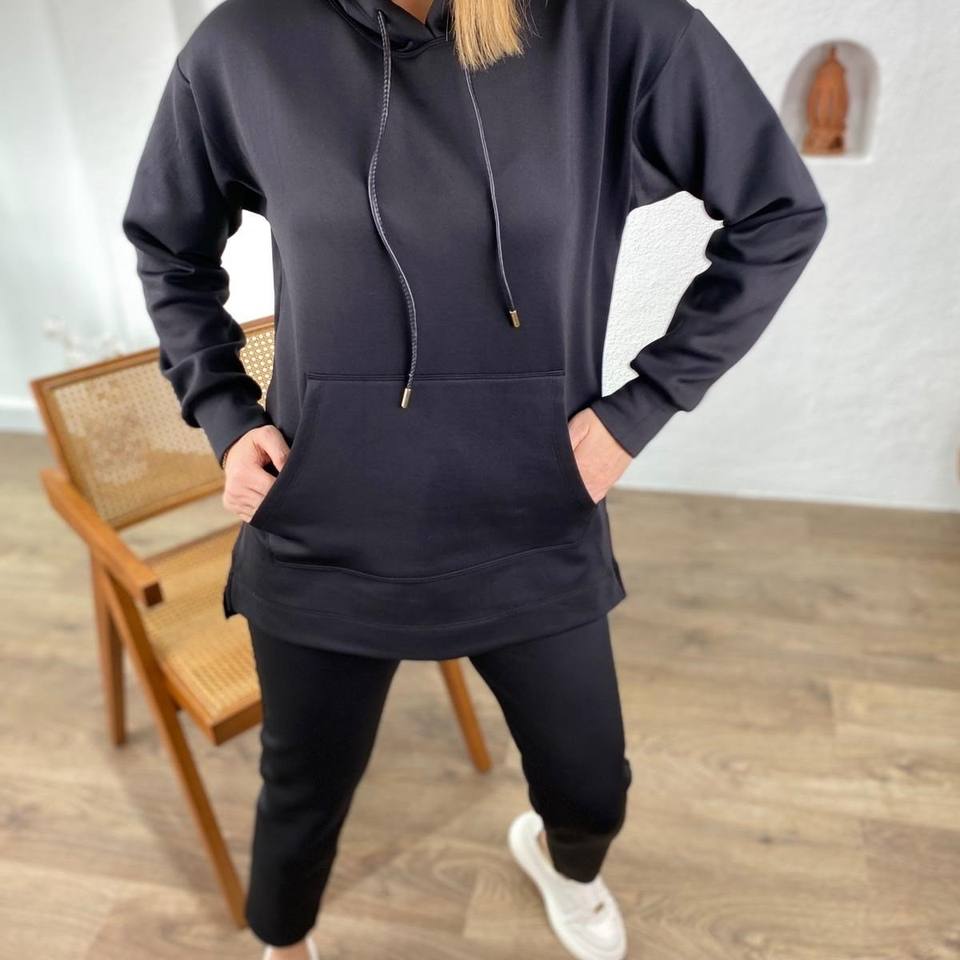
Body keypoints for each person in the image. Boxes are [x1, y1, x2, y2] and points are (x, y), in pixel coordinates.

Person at [121, 0, 828, 954]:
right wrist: (224, 410)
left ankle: (565, 866)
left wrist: (642, 408)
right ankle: (282, 941)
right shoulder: (247, 43)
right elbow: (168, 244)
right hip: (327, 519)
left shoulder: (612, 29)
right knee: (303, 791)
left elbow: (779, 210)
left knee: (590, 787)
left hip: (528, 514)